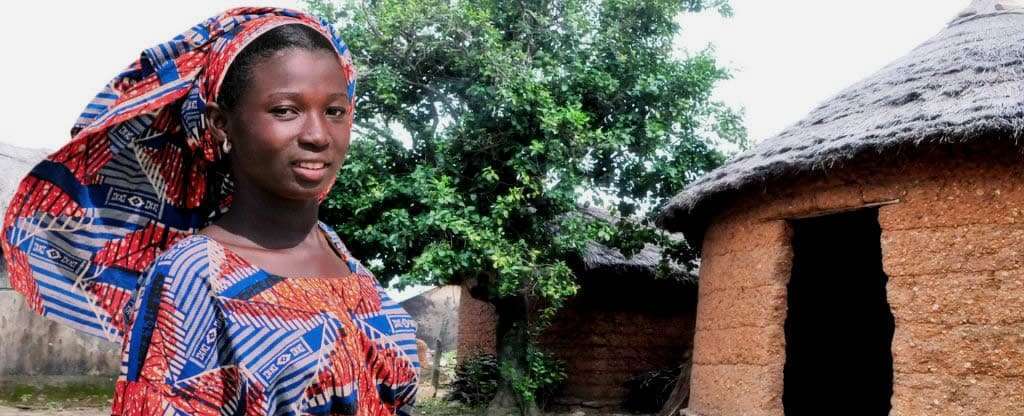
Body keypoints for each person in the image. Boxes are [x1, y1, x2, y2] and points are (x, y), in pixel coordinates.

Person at [0, 8, 418, 415]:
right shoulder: (193, 276)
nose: (317, 135)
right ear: (221, 124)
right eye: (285, 110)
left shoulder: (342, 257)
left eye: (335, 112)